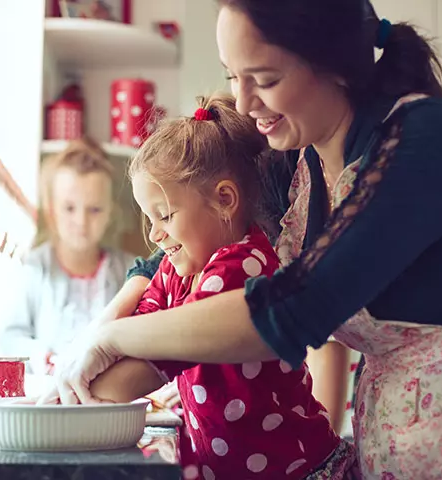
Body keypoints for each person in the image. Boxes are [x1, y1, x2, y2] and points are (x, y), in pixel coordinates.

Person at [48, 1, 442, 478]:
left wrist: (111, 338)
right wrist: (100, 332)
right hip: (405, 436)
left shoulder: (429, 140)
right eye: (232, 76)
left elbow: (289, 311)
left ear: (333, 65)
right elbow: (173, 249)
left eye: (264, 79)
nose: (244, 102)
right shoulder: (295, 159)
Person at [46, 93, 358, 479]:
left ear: (224, 200)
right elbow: (146, 314)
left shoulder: (241, 267)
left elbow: (154, 357)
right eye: (149, 219)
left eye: (165, 215)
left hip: (298, 472)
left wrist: (63, 396)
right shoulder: (180, 266)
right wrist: (87, 356)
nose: (157, 235)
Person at [0, 138, 134, 375]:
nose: (81, 222)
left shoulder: (131, 271)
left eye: (94, 209)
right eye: (69, 208)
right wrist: (40, 356)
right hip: (48, 391)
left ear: (109, 212)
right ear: (52, 211)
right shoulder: (33, 267)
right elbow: (11, 335)